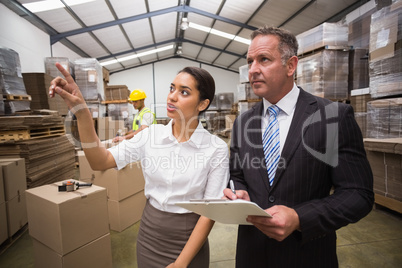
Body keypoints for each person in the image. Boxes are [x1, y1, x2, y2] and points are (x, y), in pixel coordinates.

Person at [49, 64, 229, 267]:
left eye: (184, 92)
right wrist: (82, 113)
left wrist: (181, 263)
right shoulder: (150, 136)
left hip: (189, 240)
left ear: (202, 104)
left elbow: (210, 212)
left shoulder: (216, 149)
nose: (172, 96)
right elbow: (99, 161)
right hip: (150, 235)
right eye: (172, 88)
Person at [223, 26, 374, 267]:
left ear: (291, 65)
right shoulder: (243, 123)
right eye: (250, 61)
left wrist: (299, 217)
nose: (253, 70)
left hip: (306, 255)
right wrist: (239, 192)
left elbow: (358, 194)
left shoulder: (332, 117)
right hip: (252, 255)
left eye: (264, 59)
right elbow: (238, 174)